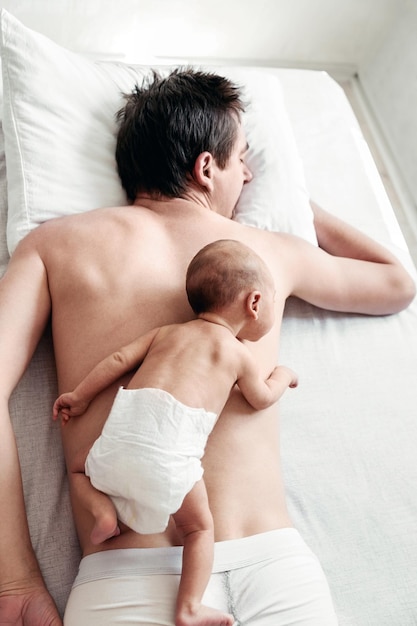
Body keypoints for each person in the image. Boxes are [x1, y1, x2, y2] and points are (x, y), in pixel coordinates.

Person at [0, 67, 415, 626]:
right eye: (242, 160)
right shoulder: (269, 251)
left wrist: (15, 577)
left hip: (128, 578)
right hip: (274, 566)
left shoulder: (56, 244)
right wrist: (296, 200)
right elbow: (397, 281)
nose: (248, 176)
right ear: (205, 167)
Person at [52, 239, 298, 626]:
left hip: (118, 443)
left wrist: (80, 398)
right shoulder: (236, 354)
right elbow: (261, 398)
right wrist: (284, 374)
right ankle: (189, 607)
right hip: (172, 459)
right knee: (198, 529)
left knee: (80, 469)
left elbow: (117, 361)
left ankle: (102, 513)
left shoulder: (166, 333)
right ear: (254, 303)